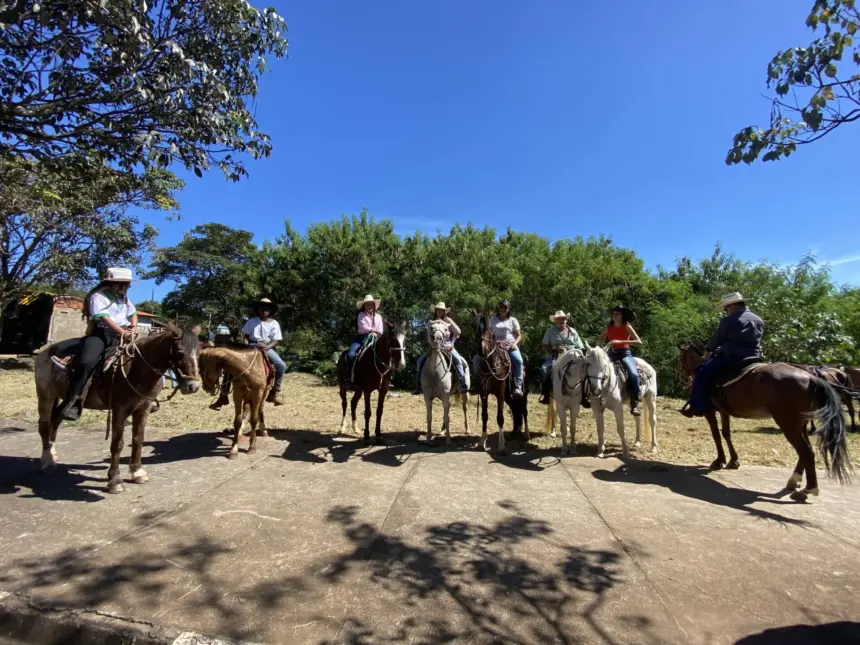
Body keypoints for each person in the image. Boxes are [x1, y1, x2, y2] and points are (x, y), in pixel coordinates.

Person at [54, 267, 138, 421]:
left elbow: (133, 314)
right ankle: (72, 401)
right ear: (116, 283)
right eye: (126, 283)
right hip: (102, 335)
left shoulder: (124, 298)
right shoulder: (97, 297)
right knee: (87, 361)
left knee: (143, 357)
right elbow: (104, 318)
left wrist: (133, 327)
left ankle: (143, 399)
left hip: (123, 334)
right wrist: (122, 332)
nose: (129, 287)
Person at [681, 292, 764, 418]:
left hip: (731, 357)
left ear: (732, 306)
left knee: (701, 372)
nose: (726, 311)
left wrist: (708, 350)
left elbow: (717, 338)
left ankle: (697, 407)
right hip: (754, 357)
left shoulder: (729, 320)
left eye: (725, 308)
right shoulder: (758, 319)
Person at [413, 302, 468, 395]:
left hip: (447, 347)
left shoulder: (448, 320)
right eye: (438, 310)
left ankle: (462, 384)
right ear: (435, 311)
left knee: (458, 360)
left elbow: (458, 332)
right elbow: (428, 336)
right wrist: (431, 344)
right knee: (419, 362)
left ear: (444, 312)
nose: (440, 311)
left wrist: (452, 343)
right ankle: (419, 387)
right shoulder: (431, 322)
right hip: (434, 347)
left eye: (442, 310)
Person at [598, 305, 643, 416]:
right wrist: (600, 348)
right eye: (613, 314)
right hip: (612, 353)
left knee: (633, 374)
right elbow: (600, 339)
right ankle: (595, 396)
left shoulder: (627, 326)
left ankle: (635, 402)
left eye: (617, 314)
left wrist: (619, 341)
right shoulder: (609, 327)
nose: (614, 316)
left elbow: (639, 342)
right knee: (596, 370)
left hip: (625, 353)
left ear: (622, 316)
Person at [473, 300, 524, 398]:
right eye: (501, 307)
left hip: (510, 346)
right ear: (498, 308)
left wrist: (514, 344)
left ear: (508, 309)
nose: (503, 309)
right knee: (476, 359)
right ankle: (477, 384)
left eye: (505, 307)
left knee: (519, 360)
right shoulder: (492, 319)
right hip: (494, 346)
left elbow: (519, 336)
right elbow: (487, 331)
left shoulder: (513, 320)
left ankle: (518, 386)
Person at [241, 298, 286, 406]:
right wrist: (247, 346)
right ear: (258, 309)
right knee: (231, 360)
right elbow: (246, 336)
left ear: (270, 310)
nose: (264, 310)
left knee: (281, 365)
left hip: (267, 347)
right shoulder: (252, 321)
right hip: (251, 346)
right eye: (261, 308)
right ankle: (223, 393)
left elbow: (277, 340)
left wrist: (266, 347)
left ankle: (275, 391)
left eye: (266, 309)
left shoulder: (274, 323)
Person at [538, 310, 584, 405]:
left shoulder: (573, 331)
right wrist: (555, 349)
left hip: (573, 357)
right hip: (555, 357)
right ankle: (546, 394)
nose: (561, 321)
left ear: (566, 320)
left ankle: (584, 395)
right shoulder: (550, 331)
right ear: (555, 321)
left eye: (563, 319)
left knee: (586, 370)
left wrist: (578, 353)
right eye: (558, 319)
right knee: (544, 370)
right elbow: (544, 346)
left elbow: (581, 347)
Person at [346, 295, 384, 387]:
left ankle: (386, 379)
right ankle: (348, 378)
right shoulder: (361, 315)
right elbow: (363, 328)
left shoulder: (378, 316)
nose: (370, 307)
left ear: (374, 306)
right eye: (368, 305)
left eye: (371, 305)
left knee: (386, 354)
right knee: (351, 354)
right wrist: (373, 330)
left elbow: (381, 329)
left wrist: (376, 333)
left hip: (376, 338)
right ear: (364, 306)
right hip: (361, 338)